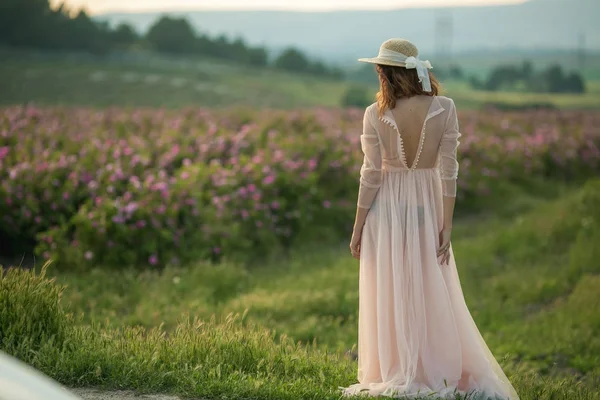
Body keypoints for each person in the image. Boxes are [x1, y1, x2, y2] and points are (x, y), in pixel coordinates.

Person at [339, 39, 519, 399]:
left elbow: (371, 173)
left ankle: (399, 365)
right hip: (427, 204)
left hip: (386, 207)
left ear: (386, 73)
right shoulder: (445, 107)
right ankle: (430, 365)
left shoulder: (374, 113)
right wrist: (446, 223)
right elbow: (449, 170)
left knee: (391, 286)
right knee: (428, 286)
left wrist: (358, 226)